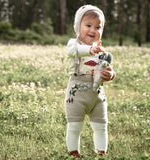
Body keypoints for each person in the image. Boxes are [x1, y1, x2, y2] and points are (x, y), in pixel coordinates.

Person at [65, 4, 115, 158]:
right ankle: (73, 151)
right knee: (75, 125)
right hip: (76, 94)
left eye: (98, 27)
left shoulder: (101, 50)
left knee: (101, 126)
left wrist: (111, 74)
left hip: (98, 95)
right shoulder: (73, 44)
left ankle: (101, 151)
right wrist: (90, 50)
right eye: (88, 25)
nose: (93, 30)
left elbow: (106, 67)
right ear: (77, 26)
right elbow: (73, 51)